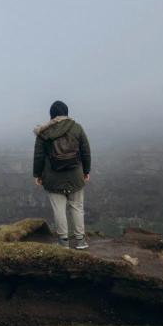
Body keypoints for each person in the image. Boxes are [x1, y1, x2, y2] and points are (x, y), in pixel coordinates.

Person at [32, 100, 92, 249]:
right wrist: (86, 171)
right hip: (75, 175)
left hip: (53, 177)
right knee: (77, 207)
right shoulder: (77, 128)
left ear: (52, 115)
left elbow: (39, 156)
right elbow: (85, 151)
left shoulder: (44, 132)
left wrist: (37, 174)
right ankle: (81, 241)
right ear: (66, 112)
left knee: (59, 209)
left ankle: (63, 241)